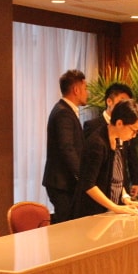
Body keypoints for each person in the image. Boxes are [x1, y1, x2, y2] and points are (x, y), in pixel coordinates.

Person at [72, 99, 138, 218]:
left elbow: (115, 177)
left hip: (107, 211)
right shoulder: (97, 143)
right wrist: (115, 207)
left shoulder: (118, 140)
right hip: (91, 213)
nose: (134, 135)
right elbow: (88, 184)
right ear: (119, 123)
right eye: (133, 130)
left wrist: (126, 199)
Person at [42, 69, 88, 224]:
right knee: (67, 227)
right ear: (76, 90)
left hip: (64, 182)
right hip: (62, 183)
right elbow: (67, 148)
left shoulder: (65, 110)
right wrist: (83, 175)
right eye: (85, 88)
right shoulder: (63, 113)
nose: (87, 93)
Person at [83, 82, 138, 199]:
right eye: (122, 101)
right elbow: (89, 181)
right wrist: (115, 207)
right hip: (98, 193)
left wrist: (126, 195)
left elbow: (130, 156)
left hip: (118, 187)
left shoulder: (124, 131)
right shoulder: (97, 137)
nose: (133, 135)